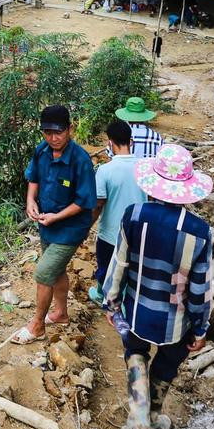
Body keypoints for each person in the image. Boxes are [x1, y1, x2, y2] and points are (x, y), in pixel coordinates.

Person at [101, 144, 213, 429]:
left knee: (135, 352)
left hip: (137, 310)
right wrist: (200, 328)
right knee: (168, 362)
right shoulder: (199, 232)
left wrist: (110, 303)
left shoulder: (133, 215)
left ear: (154, 183)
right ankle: (153, 415)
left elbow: (119, 263)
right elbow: (200, 288)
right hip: (175, 320)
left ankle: (138, 414)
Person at [12, 105, 97, 344]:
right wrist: (30, 201)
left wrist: (56, 217)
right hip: (47, 224)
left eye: (58, 132)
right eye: (47, 132)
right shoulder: (42, 151)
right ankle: (60, 313)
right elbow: (34, 177)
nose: (53, 138)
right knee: (57, 270)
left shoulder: (80, 160)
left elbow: (84, 202)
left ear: (70, 129)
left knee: (44, 272)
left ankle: (37, 325)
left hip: (70, 228)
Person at [88, 120, 144, 305]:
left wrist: (87, 226)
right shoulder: (144, 169)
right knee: (133, 270)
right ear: (131, 141)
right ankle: (128, 301)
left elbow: (98, 204)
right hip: (139, 232)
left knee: (106, 267)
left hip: (111, 233)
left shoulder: (105, 171)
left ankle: (106, 299)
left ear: (109, 142)